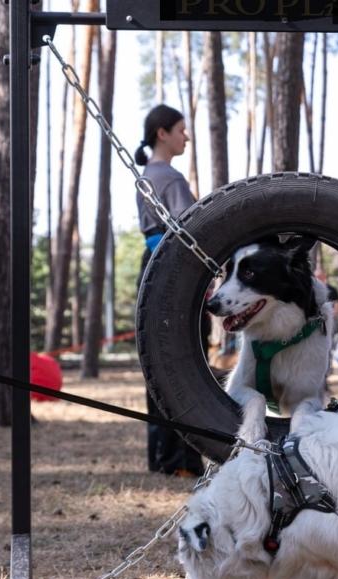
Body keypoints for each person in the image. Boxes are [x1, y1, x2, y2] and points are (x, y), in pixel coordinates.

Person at [135, 104, 203, 477]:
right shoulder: (170, 178)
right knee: (183, 364)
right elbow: (195, 228)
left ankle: (162, 458)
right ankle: (181, 461)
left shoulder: (148, 173)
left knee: (159, 365)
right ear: (162, 133)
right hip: (175, 272)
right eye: (181, 129)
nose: (186, 136)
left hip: (153, 268)